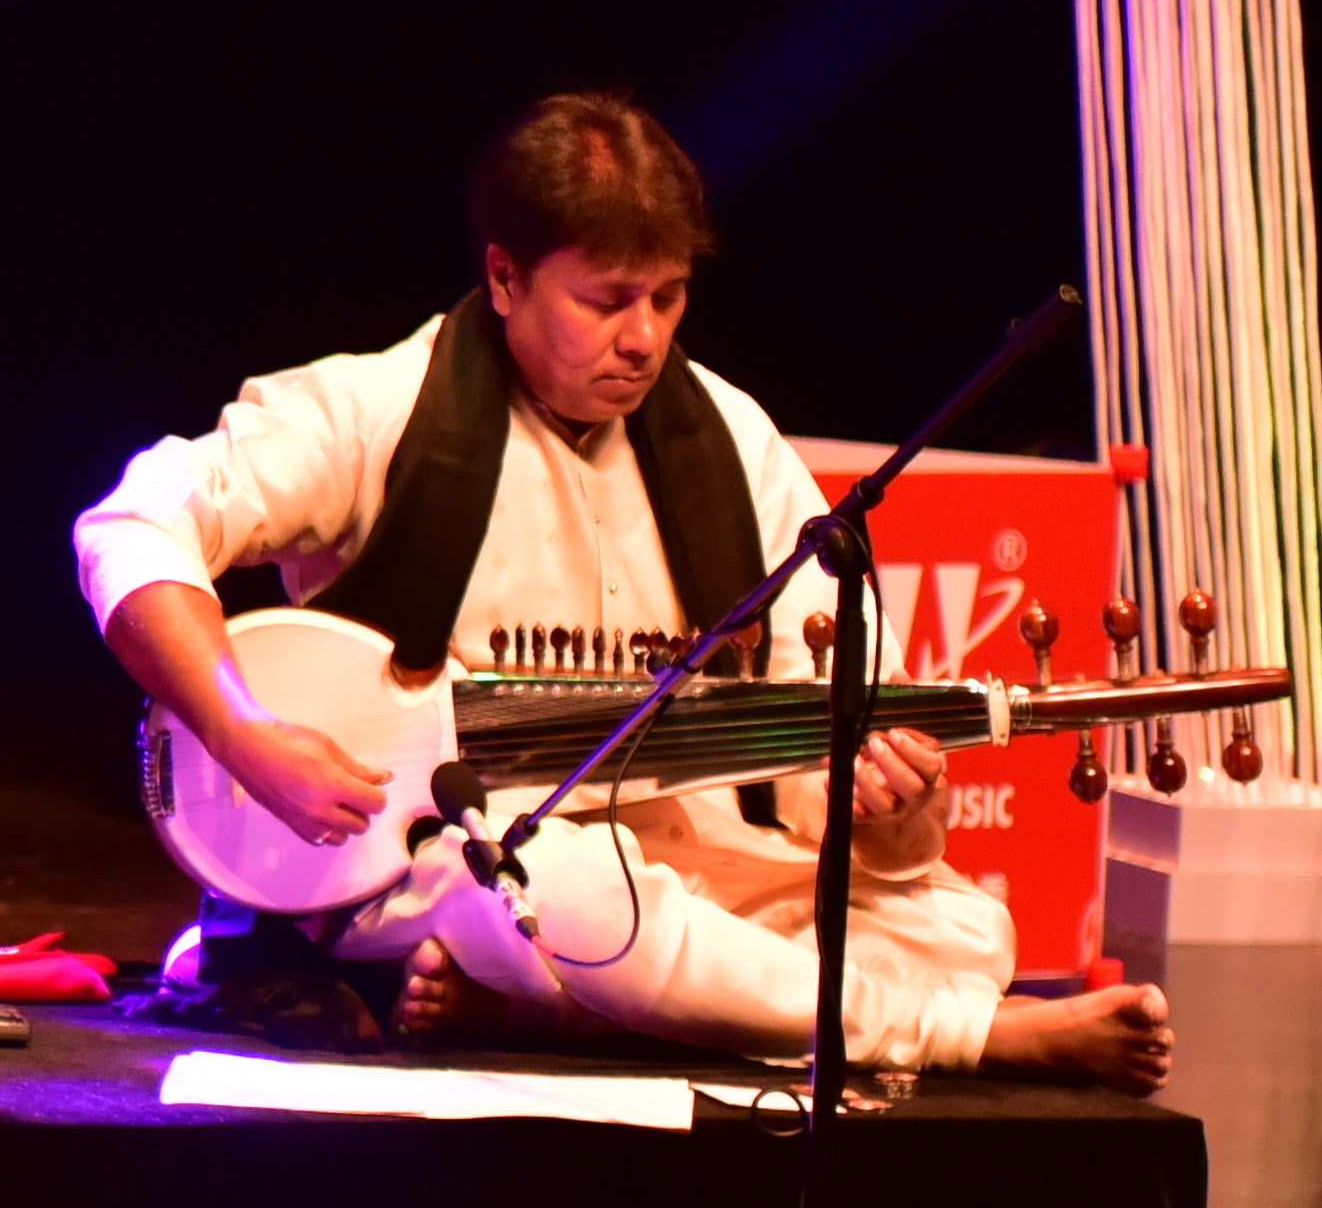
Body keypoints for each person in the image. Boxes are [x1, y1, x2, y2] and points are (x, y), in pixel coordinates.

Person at [74, 92, 1173, 1093]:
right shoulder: (375, 410)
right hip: (425, 865)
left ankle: (559, 1017)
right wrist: (242, 726)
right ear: (506, 278)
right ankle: (974, 1037)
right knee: (586, 889)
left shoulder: (733, 444)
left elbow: (830, 741)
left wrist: (892, 809)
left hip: (676, 874)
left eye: (668, 296)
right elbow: (131, 523)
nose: (643, 338)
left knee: (969, 932)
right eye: (606, 300)